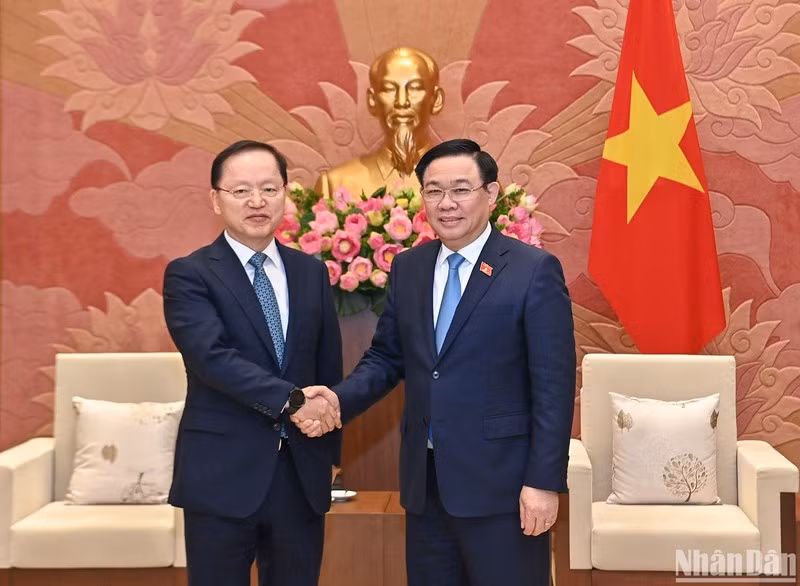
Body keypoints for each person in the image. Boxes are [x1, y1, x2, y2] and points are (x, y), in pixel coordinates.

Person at [298, 139, 576, 586]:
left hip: (502, 486)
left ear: (490, 194)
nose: (446, 203)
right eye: (433, 191)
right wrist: (335, 399)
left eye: (461, 190)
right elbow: (387, 358)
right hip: (425, 484)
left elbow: (553, 387)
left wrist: (543, 482)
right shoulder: (410, 267)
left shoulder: (532, 270)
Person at [163, 140, 343, 586]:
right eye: (241, 190)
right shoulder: (190, 274)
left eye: (269, 188)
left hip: (300, 475)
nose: (257, 201)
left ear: (286, 194)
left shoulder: (311, 272)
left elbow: (327, 364)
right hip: (221, 475)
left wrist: (331, 450)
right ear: (216, 199)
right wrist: (294, 401)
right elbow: (212, 359)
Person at [315, 46, 445, 199]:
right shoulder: (335, 185)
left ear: (436, 99)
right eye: (389, 89)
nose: (401, 102)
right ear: (372, 100)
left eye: (414, 89)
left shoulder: (469, 183)